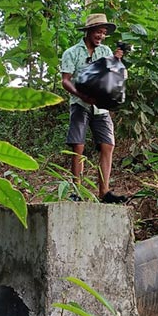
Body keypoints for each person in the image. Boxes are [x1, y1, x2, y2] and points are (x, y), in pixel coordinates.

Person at [60, 13, 126, 201]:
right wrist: (82, 96)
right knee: (78, 146)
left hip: (101, 107)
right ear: (89, 31)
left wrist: (117, 60)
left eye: (104, 33)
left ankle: (104, 192)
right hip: (80, 104)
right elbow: (66, 81)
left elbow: (112, 75)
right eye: (98, 32)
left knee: (108, 145)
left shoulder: (105, 51)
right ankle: (76, 191)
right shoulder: (71, 52)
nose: (101, 36)